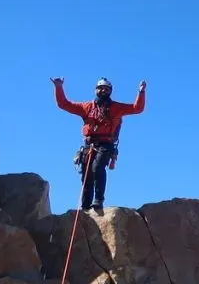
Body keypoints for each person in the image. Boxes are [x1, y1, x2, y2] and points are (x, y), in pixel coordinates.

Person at [51, 77, 146, 213]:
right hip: (88, 145)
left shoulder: (116, 108)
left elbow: (137, 108)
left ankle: (98, 200)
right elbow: (64, 104)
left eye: (106, 89)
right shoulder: (87, 107)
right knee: (86, 175)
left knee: (97, 168)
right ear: (96, 90)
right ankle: (85, 206)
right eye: (101, 88)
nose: (103, 91)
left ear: (110, 92)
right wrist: (58, 87)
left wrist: (141, 92)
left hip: (106, 144)